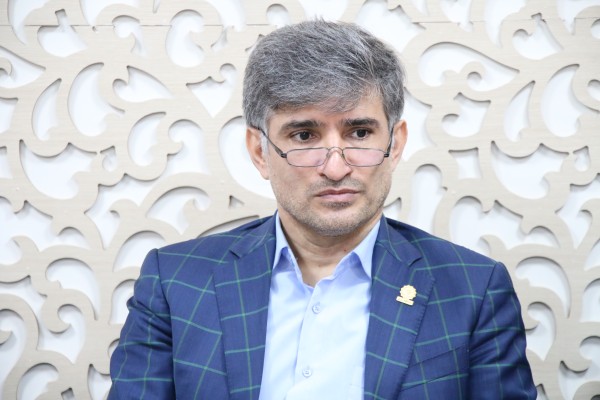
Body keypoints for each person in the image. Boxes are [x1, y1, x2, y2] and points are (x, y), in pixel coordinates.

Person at [108, 20, 536, 399]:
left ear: (395, 144)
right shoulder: (175, 282)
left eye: (360, 132)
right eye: (304, 136)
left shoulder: (474, 290)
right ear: (259, 151)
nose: (335, 167)